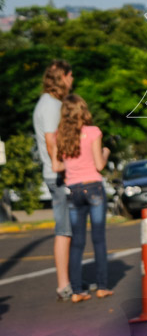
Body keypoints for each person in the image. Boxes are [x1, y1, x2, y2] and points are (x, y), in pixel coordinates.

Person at [56, 94, 112, 303]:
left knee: (77, 242)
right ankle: (103, 286)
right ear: (83, 110)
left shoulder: (61, 136)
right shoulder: (93, 132)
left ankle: (77, 290)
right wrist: (105, 152)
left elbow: (58, 166)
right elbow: (99, 165)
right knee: (98, 238)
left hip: (72, 190)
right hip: (94, 188)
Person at [31, 59, 74, 301]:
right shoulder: (50, 105)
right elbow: (50, 141)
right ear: (63, 77)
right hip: (56, 174)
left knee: (68, 229)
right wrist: (61, 168)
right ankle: (64, 285)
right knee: (64, 230)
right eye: (70, 76)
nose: (72, 81)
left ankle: (69, 281)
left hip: (55, 172)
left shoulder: (49, 103)